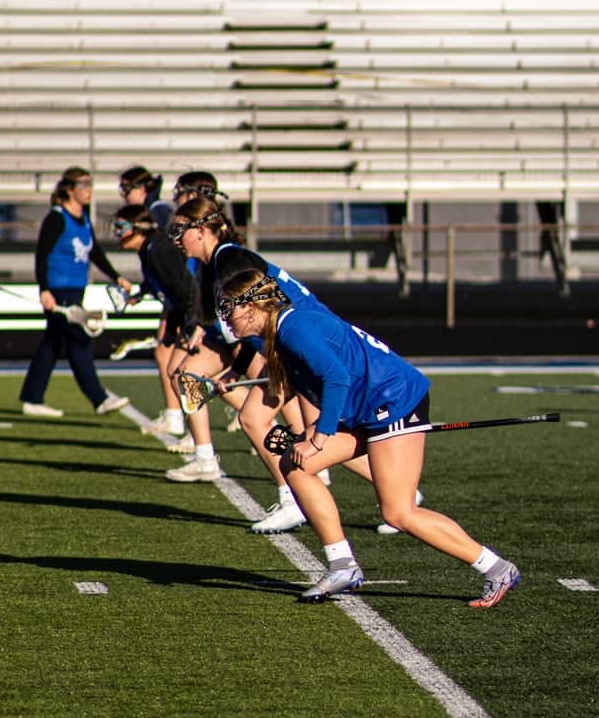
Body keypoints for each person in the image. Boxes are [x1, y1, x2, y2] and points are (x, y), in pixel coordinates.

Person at [215, 268, 521, 606]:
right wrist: (307, 430)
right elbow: (310, 380)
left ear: (252, 305)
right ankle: (343, 565)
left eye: (228, 307)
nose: (224, 317)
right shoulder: (280, 333)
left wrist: (321, 435)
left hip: (393, 401)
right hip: (366, 408)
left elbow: (336, 377)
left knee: (398, 513)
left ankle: (496, 568)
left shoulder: (294, 328)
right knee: (295, 464)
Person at [170, 196, 416, 533]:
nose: (176, 239)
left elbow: (258, 321)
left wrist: (235, 368)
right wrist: (232, 371)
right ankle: (390, 492)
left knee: (309, 432)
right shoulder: (219, 263)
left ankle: (310, 502)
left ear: (201, 230)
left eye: (180, 230)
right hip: (287, 351)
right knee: (282, 426)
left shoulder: (231, 262)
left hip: (302, 350)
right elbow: (245, 333)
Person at [18, 166, 132, 418]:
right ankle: (99, 399)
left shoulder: (83, 218)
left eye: (90, 184)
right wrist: (44, 290)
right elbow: (42, 255)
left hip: (76, 288)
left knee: (52, 343)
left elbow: (94, 252)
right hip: (58, 290)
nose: (89, 190)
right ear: (70, 189)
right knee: (78, 339)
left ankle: (32, 397)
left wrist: (116, 276)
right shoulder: (57, 218)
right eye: (83, 185)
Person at [111, 204, 199, 444]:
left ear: (138, 227)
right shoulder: (149, 249)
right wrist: (140, 292)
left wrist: (189, 327)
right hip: (187, 315)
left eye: (121, 227)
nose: (117, 234)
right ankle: (196, 435)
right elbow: (161, 283)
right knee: (178, 371)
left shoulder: (159, 249)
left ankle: (199, 439)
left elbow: (185, 291)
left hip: (198, 318)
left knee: (189, 374)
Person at [118, 165, 173, 231]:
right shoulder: (150, 209)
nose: (122, 194)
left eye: (126, 189)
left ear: (142, 189)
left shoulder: (158, 211)